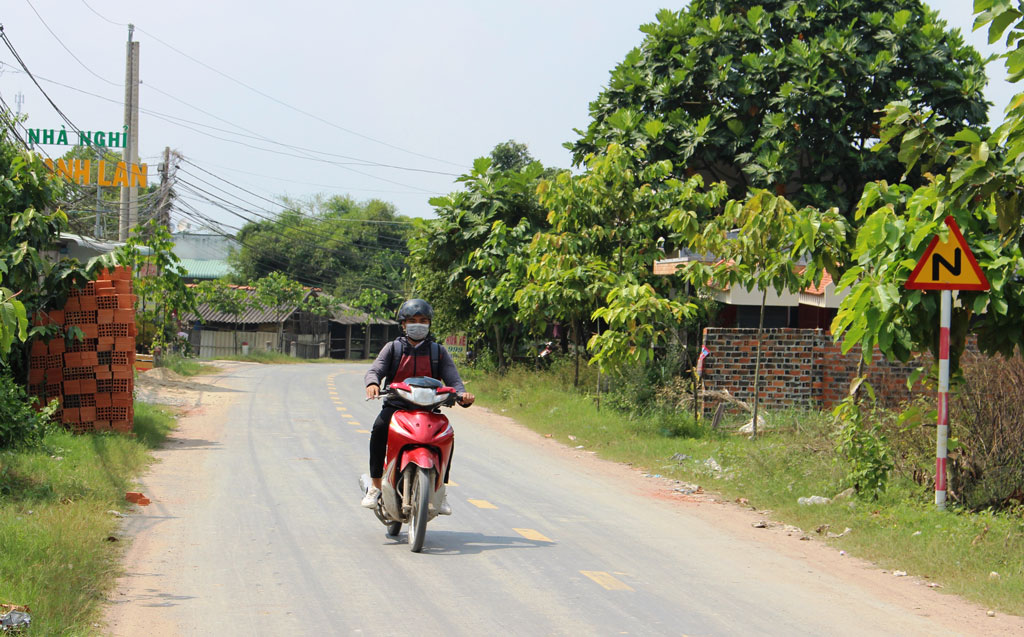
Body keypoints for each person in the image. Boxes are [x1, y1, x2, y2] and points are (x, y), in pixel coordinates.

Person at [362, 299, 475, 512]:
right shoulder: (393, 348)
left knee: (447, 436)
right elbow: (375, 370)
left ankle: (440, 491)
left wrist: (462, 395)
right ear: (403, 324)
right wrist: (373, 384)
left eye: (423, 320)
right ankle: (375, 487)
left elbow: (454, 380)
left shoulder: (438, 352)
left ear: (429, 324)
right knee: (379, 429)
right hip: (396, 407)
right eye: (412, 320)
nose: (418, 324)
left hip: (429, 409)